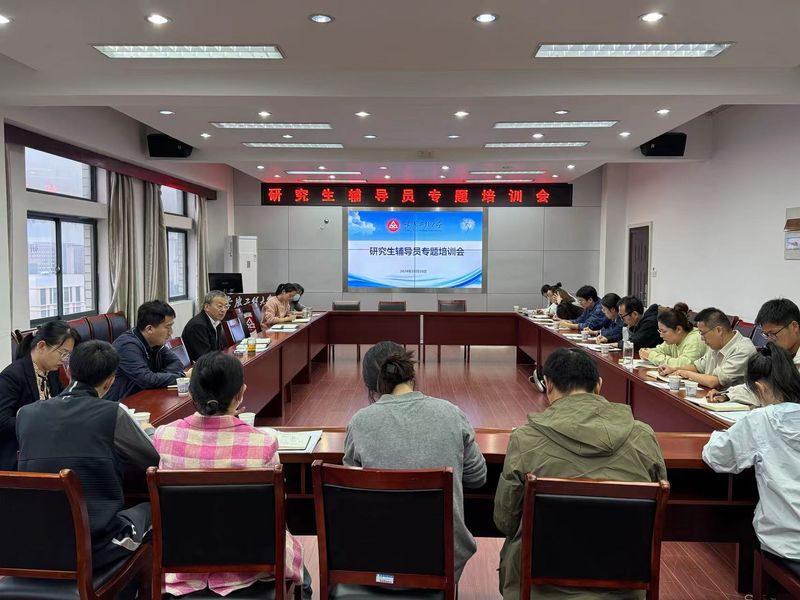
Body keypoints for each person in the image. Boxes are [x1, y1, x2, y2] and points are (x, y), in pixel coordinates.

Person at [494, 348, 667, 600]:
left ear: (548, 384)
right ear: (598, 386)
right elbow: (657, 517)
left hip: (541, 589)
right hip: (623, 588)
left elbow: (505, 521)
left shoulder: (525, 439)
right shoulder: (643, 435)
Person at [153, 352, 309, 597]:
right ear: (240, 393)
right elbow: (277, 504)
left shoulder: (164, 436)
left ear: (191, 393)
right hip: (251, 564)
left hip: (185, 565)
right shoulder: (263, 442)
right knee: (298, 567)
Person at [344, 341, 487, 581]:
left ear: (369, 385)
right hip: (442, 559)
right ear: (410, 373)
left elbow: (351, 488)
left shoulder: (359, 422)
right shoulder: (451, 413)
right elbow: (478, 477)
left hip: (375, 557)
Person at [16, 340, 159, 571]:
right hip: (97, 546)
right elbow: (152, 460)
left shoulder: (25, 414)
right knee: (156, 507)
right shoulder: (112, 413)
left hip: (33, 545)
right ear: (110, 381)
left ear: (68, 370)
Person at [703, 343, 800, 576]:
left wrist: (720, 434)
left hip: (788, 543)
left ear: (760, 388)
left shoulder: (761, 419)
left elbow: (716, 456)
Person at [0, 320, 78, 470]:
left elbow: (61, 401)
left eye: (68, 355)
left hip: (45, 446)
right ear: (42, 346)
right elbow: (2, 421)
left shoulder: (51, 371)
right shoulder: (13, 376)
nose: (64, 360)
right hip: (18, 455)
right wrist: (40, 422)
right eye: (62, 353)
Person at [711, 298, 800, 406]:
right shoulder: (775, 353)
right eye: (766, 335)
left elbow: (780, 395)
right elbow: (758, 386)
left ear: (794, 326)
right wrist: (727, 395)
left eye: (773, 334)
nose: (770, 340)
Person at [106, 300, 185, 403]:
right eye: (167, 327)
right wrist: (180, 377)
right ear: (149, 329)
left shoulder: (156, 343)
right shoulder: (127, 345)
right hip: (120, 405)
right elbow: (147, 380)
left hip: (145, 398)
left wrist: (160, 377)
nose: (171, 332)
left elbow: (177, 363)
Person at [659, 307, 756, 390]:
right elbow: (697, 367)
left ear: (718, 330)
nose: (701, 338)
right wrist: (674, 369)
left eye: (703, 333)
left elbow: (714, 381)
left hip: (732, 403)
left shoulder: (743, 349)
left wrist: (684, 373)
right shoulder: (716, 345)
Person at [640, 303, 706, 367]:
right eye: (660, 331)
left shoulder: (695, 339)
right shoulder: (673, 339)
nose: (661, 335)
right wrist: (647, 352)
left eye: (664, 331)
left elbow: (685, 365)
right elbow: (659, 350)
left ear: (678, 329)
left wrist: (652, 356)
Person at [181, 290, 229, 361]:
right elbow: (205, 357)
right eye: (220, 306)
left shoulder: (216, 321)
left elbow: (219, 350)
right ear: (206, 307)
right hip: (198, 365)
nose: (223, 310)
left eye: (226, 306)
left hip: (212, 362)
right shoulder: (198, 326)